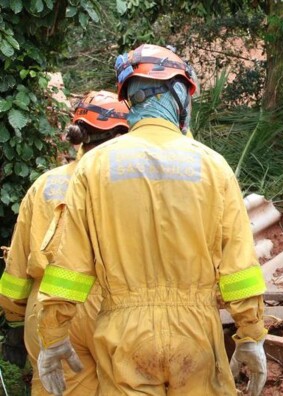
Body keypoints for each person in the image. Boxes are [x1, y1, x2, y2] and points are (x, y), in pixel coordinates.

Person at [35, 44, 267, 396]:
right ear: (178, 93)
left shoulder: (93, 168)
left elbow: (70, 267)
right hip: (196, 337)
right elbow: (240, 267)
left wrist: (53, 335)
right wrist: (250, 334)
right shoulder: (212, 166)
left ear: (131, 97)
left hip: (124, 337)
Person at [0, 90, 129, 394]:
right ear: (125, 132)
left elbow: (17, 264)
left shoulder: (45, 185)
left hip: (47, 310)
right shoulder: (132, 186)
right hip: (115, 310)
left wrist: (15, 326)